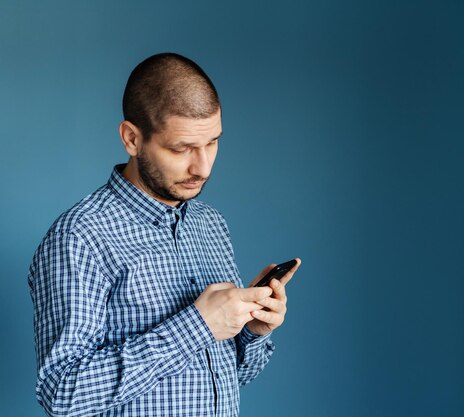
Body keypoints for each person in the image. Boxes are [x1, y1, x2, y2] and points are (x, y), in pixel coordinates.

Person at [28, 52, 301, 417]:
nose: (202, 167)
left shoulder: (210, 225)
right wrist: (197, 325)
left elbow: (223, 379)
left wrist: (252, 331)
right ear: (132, 139)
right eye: (181, 148)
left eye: (212, 143)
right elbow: (62, 394)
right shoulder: (80, 236)